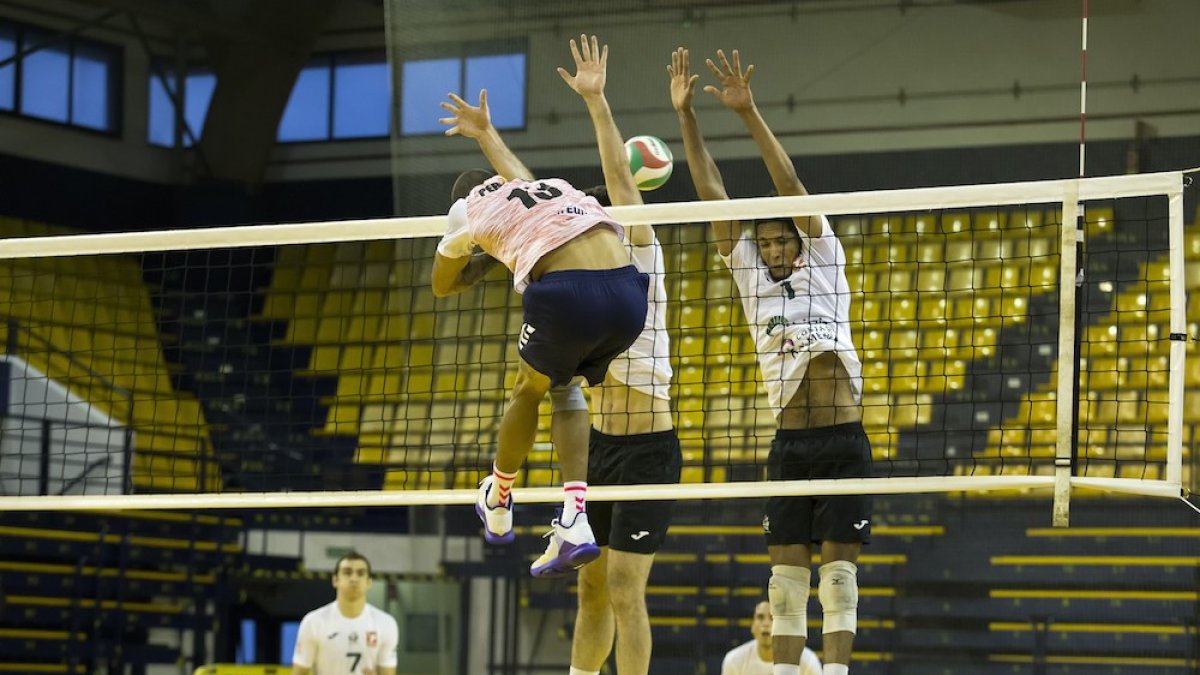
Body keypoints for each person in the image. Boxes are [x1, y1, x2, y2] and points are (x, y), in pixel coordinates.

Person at [670, 46, 872, 675]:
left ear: (800, 240)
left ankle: (834, 671)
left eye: (784, 237)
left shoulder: (827, 260)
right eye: (767, 241)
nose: (776, 247)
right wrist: (687, 116)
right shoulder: (752, 280)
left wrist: (749, 112)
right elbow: (711, 194)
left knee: (837, 577)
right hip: (789, 442)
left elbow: (788, 181)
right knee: (785, 586)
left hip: (842, 439)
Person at [434, 87, 649, 579]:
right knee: (565, 384)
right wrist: (487, 133)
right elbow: (518, 175)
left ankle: (499, 497)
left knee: (526, 389)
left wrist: (476, 251)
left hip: (571, 296)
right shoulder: (541, 188)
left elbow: (442, 286)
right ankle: (575, 517)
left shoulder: (466, 208)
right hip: (630, 294)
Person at [555, 35, 682, 675]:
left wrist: (597, 101)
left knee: (628, 590)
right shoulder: (580, 286)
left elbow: (616, 181)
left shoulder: (640, 255)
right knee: (590, 585)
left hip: (650, 451)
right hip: (598, 450)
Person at [291, 552, 398, 675]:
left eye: (360, 573)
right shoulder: (313, 622)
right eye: (347, 572)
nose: (354, 578)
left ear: (369, 582)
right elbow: (299, 672)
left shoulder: (386, 623)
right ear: (335, 580)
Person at [723, 600, 822, 675]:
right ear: (752, 626)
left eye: (772, 618)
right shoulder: (734, 661)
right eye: (760, 617)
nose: (766, 624)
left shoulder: (807, 661)